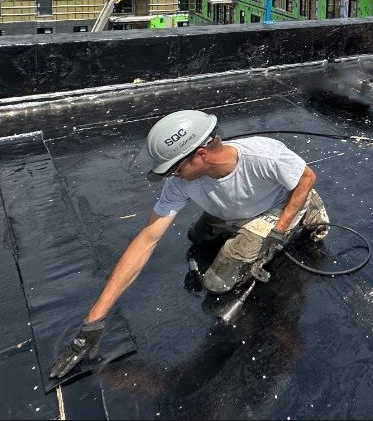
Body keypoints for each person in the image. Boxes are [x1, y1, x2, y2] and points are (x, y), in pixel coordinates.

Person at [48, 109, 329, 379]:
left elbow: (307, 178)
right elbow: (147, 239)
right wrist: (94, 321)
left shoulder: (263, 154)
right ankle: (246, 223)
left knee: (220, 281)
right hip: (237, 210)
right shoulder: (180, 182)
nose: (171, 177)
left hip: (278, 207)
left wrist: (278, 231)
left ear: (201, 155)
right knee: (197, 236)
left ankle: (309, 215)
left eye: (174, 169)